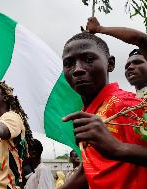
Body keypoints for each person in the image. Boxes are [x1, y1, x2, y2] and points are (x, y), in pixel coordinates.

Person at [60, 32, 147, 189]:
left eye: (88, 59)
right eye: (69, 63)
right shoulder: (89, 112)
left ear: (110, 64)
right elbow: (89, 170)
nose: (77, 69)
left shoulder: (127, 105)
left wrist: (118, 149)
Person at [85, 17, 147, 98]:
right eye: (127, 66)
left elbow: (141, 39)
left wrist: (99, 29)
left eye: (138, 62)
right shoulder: (128, 102)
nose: (130, 67)